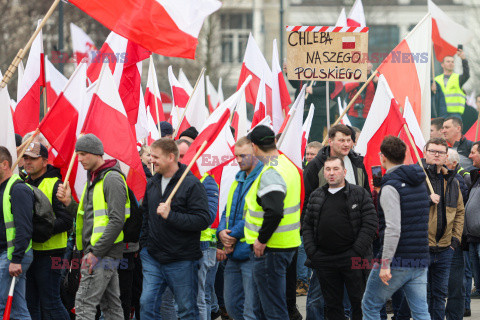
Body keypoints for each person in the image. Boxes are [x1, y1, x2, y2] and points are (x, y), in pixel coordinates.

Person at [57, 134, 127, 319]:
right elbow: (87, 218)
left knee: (83, 304)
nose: (79, 159)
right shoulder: (95, 178)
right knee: (111, 307)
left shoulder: (111, 179)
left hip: (100, 254)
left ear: (97, 153)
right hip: (100, 253)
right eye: (78, 154)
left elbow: (116, 220)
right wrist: (69, 203)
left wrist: (95, 253)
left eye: (83, 154)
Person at [139, 138, 210, 319]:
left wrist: (171, 215)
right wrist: (144, 246)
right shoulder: (153, 182)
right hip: (153, 257)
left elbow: (202, 220)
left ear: (171, 157)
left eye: (156, 156)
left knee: (186, 309)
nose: (151, 160)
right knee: (147, 304)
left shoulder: (192, 184)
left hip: (182, 259)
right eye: (150, 156)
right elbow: (146, 215)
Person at [362, 136, 431, 320]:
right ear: (405, 155)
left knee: (370, 305)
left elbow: (393, 229)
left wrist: (385, 263)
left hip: (398, 259)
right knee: (421, 311)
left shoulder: (390, 187)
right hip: (419, 257)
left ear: (382, 157)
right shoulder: (419, 182)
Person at [303, 156, 377, 320]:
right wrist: (312, 252)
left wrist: (356, 251)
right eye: (328, 169)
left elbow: (370, 223)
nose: (331, 173)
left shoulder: (359, 193)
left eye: (335, 169)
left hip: (353, 259)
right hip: (325, 259)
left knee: (359, 303)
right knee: (332, 306)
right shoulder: (317, 195)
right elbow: (307, 225)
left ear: (344, 172)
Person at [243, 125, 301, 320]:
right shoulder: (287, 164)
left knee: (273, 310)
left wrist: (261, 239)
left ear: (254, 146)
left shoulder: (271, 171)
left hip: (271, 248)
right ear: (274, 142)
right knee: (272, 306)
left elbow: (275, 210)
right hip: (286, 245)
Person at [22, 142, 72, 319]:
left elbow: (67, 221)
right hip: (30, 252)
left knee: (51, 303)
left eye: (33, 158)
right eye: (25, 158)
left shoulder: (56, 184)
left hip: (51, 253)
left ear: (44, 161)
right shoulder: (23, 182)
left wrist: (42, 230)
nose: (28, 162)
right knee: (30, 304)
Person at [217, 136, 263, 320]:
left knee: (251, 309)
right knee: (232, 305)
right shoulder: (238, 178)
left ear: (255, 152)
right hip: (233, 253)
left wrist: (232, 235)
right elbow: (226, 211)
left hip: (251, 252)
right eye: (236, 156)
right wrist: (221, 232)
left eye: (243, 155)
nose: (238, 160)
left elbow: (257, 214)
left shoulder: (263, 177)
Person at [421, 138, 465, 320]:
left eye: (440, 152)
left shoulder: (452, 181)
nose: (436, 155)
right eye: (433, 151)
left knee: (439, 295)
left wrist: (454, 240)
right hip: (422, 248)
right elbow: (406, 207)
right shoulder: (417, 178)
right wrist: (427, 200)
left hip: (446, 249)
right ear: (425, 153)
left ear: (447, 156)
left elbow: (460, 212)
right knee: (420, 296)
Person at [0, 146, 34, 319]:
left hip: (12, 255)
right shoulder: (3, 189)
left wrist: (16, 259)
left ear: (4, 164)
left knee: (1, 305)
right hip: (8, 255)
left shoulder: (18, 189)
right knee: (17, 309)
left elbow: (24, 228)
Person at [434, 49, 470, 118]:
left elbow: (466, 74)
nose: (451, 63)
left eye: (452, 62)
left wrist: (463, 59)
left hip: (455, 114)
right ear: (442, 64)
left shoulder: (458, 78)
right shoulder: (436, 80)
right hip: (440, 112)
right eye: (448, 61)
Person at [345, 62, 379, 130]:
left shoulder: (374, 77)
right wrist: (360, 81)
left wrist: (377, 82)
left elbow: (380, 92)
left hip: (369, 115)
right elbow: (346, 88)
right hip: (353, 114)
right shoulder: (353, 75)